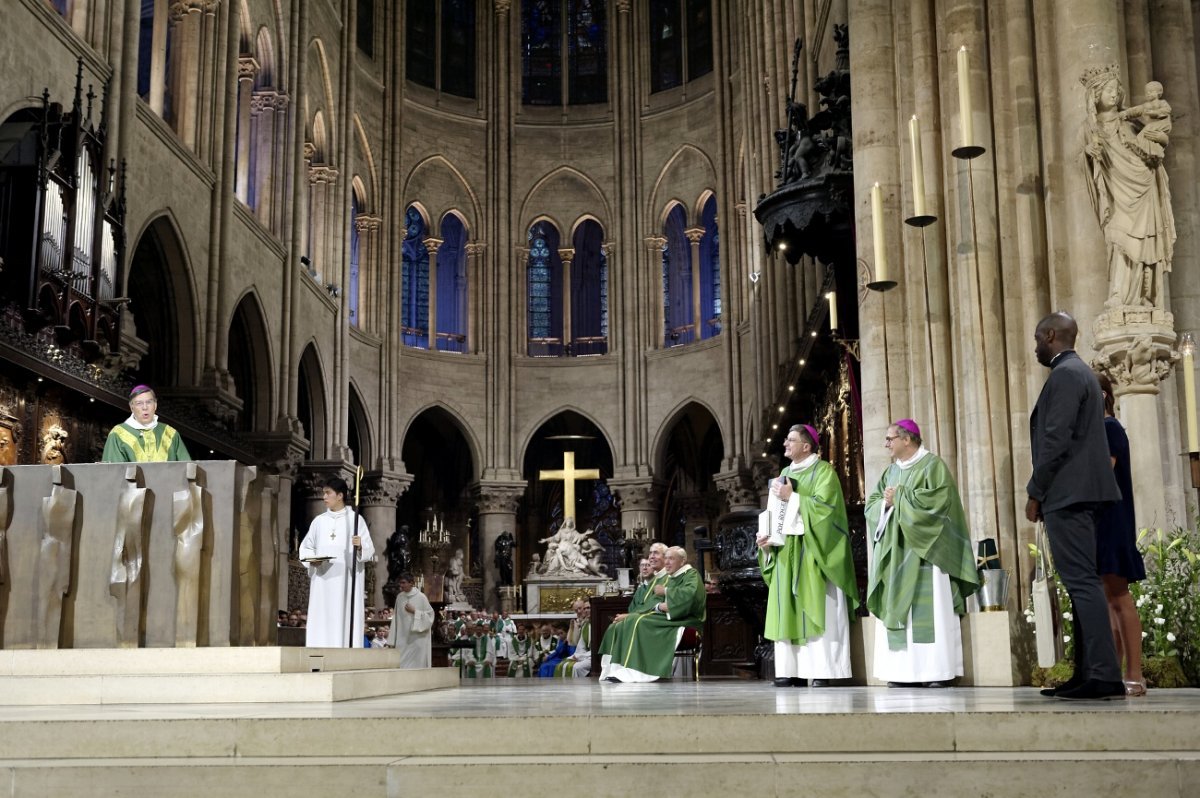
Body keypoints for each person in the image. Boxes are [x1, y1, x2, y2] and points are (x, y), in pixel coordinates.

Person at [1027, 312, 1124, 700]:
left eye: (1037, 338)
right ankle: (1088, 672)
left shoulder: (1066, 375)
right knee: (1081, 582)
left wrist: (1036, 491)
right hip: (1080, 493)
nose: (1035, 346)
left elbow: (1056, 440)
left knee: (1082, 583)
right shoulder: (1079, 372)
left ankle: (1102, 674)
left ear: (1051, 335)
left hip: (1069, 494)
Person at [865, 419, 980, 687]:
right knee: (899, 611)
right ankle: (901, 673)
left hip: (928, 553)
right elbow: (872, 505)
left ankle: (935, 672)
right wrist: (886, 503)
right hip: (896, 553)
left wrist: (901, 498)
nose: (886, 444)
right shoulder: (890, 472)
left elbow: (939, 503)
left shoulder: (933, 466)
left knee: (932, 610)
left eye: (890, 439)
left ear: (907, 439)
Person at [758, 424, 858, 687]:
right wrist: (767, 537)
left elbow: (828, 513)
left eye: (791, 440)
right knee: (786, 607)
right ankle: (790, 670)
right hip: (785, 552)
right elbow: (774, 511)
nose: (785, 445)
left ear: (806, 446)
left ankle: (823, 670)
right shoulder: (784, 474)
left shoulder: (824, 472)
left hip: (814, 549)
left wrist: (794, 497)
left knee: (817, 604)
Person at [1081, 68, 1175, 310]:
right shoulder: (1090, 128)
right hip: (1116, 190)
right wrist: (1088, 154)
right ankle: (1119, 295)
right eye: (1108, 90)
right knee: (1118, 237)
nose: (1113, 94)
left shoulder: (1131, 120)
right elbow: (1085, 159)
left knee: (1144, 242)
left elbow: (1161, 136)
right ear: (1095, 95)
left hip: (1142, 185)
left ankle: (1145, 299)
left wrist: (1154, 139)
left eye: (1115, 90)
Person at [1094, 373, 1148, 696]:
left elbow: (1102, 471)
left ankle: (1134, 674)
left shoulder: (1110, 428)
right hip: (1102, 522)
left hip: (1113, 520)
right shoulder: (1100, 430)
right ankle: (1116, 669)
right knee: (1109, 600)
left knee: (1119, 595)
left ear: (1101, 396)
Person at [599, 546, 706, 683]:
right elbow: (655, 603)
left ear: (683, 560)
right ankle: (620, 668)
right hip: (671, 616)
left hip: (686, 620)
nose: (667, 562)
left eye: (671, 558)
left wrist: (666, 592)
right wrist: (659, 606)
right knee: (634, 621)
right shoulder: (672, 577)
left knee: (641, 622)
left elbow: (691, 595)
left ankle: (641, 670)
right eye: (666, 558)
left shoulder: (690, 574)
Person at [298, 477, 375, 648]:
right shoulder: (319, 521)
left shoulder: (355, 520)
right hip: (322, 582)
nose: (324, 497)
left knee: (343, 614)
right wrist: (312, 561)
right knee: (322, 615)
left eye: (327, 493)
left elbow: (370, 550)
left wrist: (361, 545)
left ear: (340, 495)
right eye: (323, 493)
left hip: (345, 581)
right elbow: (306, 547)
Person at [101, 385, 192, 462]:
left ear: (155, 405)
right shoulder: (117, 434)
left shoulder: (170, 433)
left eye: (149, 402)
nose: (145, 407)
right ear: (132, 407)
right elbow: (112, 474)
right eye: (139, 403)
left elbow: (187, 468)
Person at [389, 571, 435, 668]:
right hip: (403, 638)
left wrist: (415, 611)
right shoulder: (399, 597)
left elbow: (430, 616)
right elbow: (396, 620)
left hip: (418, 638)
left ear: (411, 583)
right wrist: (392, 640)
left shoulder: (421, 597)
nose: (401, 585)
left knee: (417, 665)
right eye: (400, 583)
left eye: (403, 582)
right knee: (402, 664)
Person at [1120, 80, 1171, 160]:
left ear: (1159, 92)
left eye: (1151, 91)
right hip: (1151, 128)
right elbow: (1136, 110)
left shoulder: (1162, 103)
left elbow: (1167, 110)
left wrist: (1155, 113)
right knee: (1147, 132)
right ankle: (1143, 147)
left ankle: (1140, 144)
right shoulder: (1146, 105)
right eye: (1147, 92)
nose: (1148, 94)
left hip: (1162, 124)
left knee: (1147, 130)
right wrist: (1126, 112)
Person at [553, 600, 592, 678]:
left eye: (589, 608)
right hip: (585, 655)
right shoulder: (585, 625)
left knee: (576, 667)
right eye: (585, 608)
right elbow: (580, 645)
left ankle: (580, 689)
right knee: (561, 665)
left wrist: (581, 656)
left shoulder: (600, 623)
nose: (586, 610)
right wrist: (577, 655)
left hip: (593, 657)